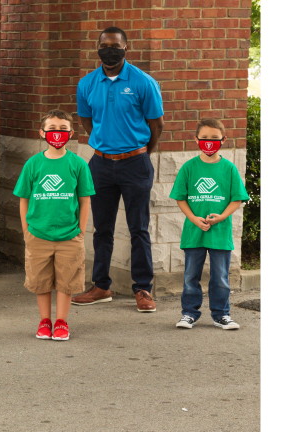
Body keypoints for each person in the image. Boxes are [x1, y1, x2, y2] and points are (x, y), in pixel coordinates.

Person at [73, 26, 165, 312]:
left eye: (115, 46)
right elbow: (86, 121)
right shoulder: (87, 83)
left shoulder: (143, 82)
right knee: (102, 229)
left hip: (135, 164)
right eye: (104, 45)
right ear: (97, 48)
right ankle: (101, 285)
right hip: (100, 164)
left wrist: (140, 153)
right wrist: (104, 146)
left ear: (127, 48)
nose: (109, 50)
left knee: (139, 229)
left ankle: (143, 289)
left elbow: (157, 125)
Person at [14, 110, 94, 341]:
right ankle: (44, 321)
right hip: (38, 233)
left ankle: (61, 322)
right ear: (42, 133)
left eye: (62, 129)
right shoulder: (33, 164)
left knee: (66, 280)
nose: (57, 134)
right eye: (52, 129)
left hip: (69, 235)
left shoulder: (78, 164)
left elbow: (84, 199)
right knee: (41, 280)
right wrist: (26, 230)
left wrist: (80, 230)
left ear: (70, 133)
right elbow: (24, 198)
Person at [170, 119, 249, 330]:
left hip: (220, 233)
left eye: (215, 138)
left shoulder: (229, 168)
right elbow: (180, 198)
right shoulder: (189, 167)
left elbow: (237, 198)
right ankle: (189, 314)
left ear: (224, 140)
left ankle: (221, 314)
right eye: (204, 137)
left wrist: (222, 216)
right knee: (190, 276)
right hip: (194, 232)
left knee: (221, 277)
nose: (209, 142)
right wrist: (194, 219)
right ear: (196, 139)